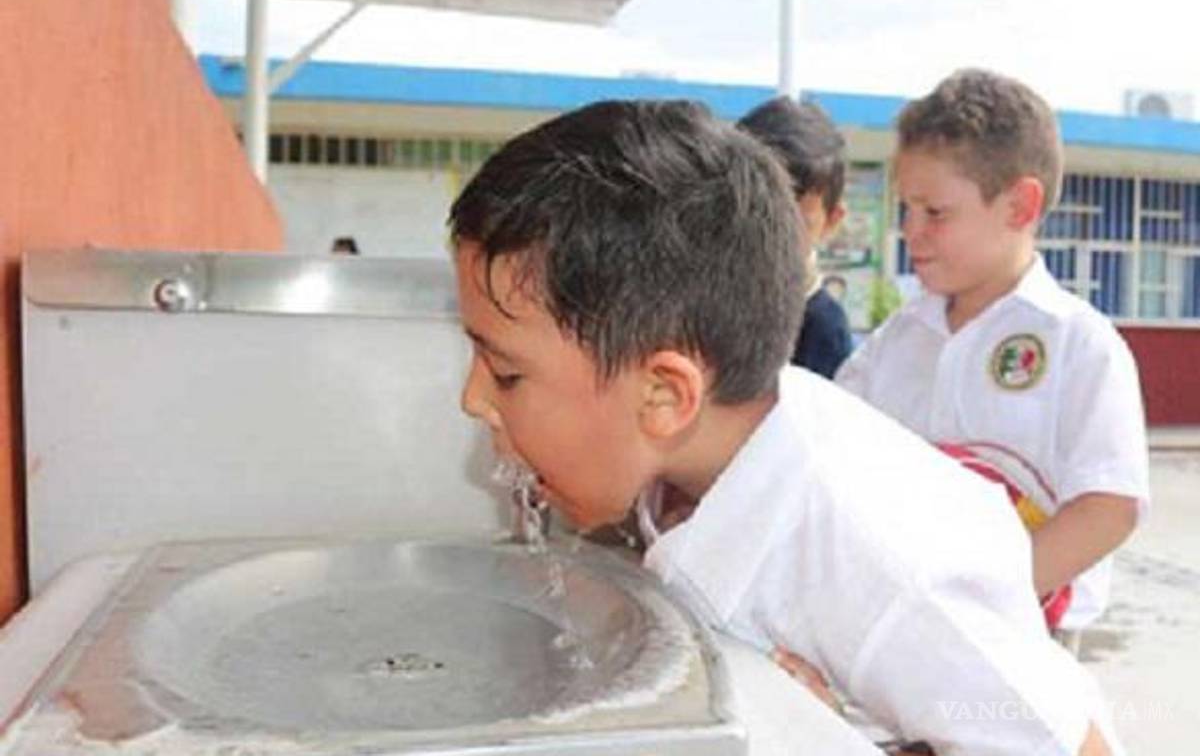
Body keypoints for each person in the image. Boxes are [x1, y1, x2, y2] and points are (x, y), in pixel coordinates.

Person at [449, 99, 1120, 755]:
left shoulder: (877, 571)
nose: (472, 399)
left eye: (506, 373)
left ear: (665, 394)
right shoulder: (705, 471)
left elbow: (1067, 745)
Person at [835, 69, 1149, 645]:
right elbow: (833, 463)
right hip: (897, 630)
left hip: (1025, 637)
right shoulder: (893, 344)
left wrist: (978, 606)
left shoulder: (1079, 345)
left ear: (1019, 206)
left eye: (935, 213)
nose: (911, 232)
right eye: (906, 210)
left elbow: (1108, 507)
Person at [738, 97, 853, 378]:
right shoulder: (692, 298)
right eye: (756, 210)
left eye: (794, 221)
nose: (770, 233)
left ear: (831, 220)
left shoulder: (824, 329)